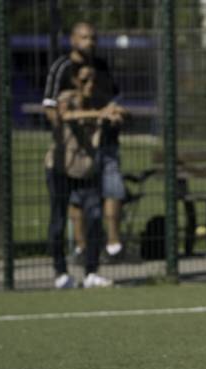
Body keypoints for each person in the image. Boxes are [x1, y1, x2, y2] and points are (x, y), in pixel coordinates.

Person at [43, 21, 128, 263]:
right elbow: (54, 110)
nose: (89, 42)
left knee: (111, 191)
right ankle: (77, 253)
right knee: (75, 202)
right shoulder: (62, 69)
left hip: (103, 142)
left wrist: (114, 113)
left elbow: (113, 99)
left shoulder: (101, 66)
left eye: (93, 38)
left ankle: (112, 247)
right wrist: (64, 133)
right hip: (74, 148)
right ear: (73, 39)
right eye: (84, 37)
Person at [44, 63, 116, 289]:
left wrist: (115, 114)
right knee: (58, 221)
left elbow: (116, 110)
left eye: (93, 79)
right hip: (60, 169)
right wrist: (98, 114)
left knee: (95, 218)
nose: (90, 85)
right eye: (84, 80)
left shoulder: (99, 100)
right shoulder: (67, 97)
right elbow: (64, 114)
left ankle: (92, 272)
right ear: (75, 80)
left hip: (87, 170)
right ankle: (61, 273)